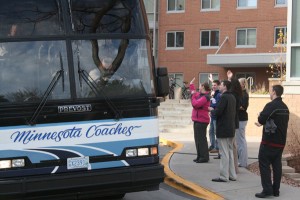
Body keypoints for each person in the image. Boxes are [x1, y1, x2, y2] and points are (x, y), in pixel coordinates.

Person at [254, 85, 289, 198]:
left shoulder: (271, 105)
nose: (269, 93)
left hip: (269, 141)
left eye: (270, 91)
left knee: (264, 164)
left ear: (274, 92)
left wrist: (260, 116)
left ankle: (267, 189)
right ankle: (276, 190)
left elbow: (261, 119)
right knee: (277, 165)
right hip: (281, 141)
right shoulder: (285, 107)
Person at [209, 80, 237, 182]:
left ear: (224, 87)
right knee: (229, 152)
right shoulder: (232, 97)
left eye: (221, 85)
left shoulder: (224, 97)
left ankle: (224, 176)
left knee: (224, 153)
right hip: (231, 128)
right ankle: (232, 175)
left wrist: (212, 111)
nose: (219, 86)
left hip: (224, 128)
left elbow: (219, 111)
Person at [190, 78, 211, 163]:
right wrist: (191, 85)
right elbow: (194, 94)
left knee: (201, 139)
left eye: (200, 86)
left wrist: (193, 97)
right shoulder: (200, 95)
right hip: (197, 120)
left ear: (203, 87)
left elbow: (196, 104)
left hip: (202, 120)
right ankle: (199, 155)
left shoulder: (206, 97)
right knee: (197, 139)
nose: (199, 87)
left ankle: (204, 157)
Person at [227, 70, 242, 173]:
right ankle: (235, 168)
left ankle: (232, 169)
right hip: (235, 121)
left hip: (231, 122)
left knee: (231, 147)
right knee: (233, 146)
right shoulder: (238, 94)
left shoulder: (232, 95)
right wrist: (230, 78)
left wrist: (230, 79)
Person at [236, 78, 249, 167]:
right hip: (239, 118)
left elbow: (243, 107)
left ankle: (243, 162)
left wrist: (234, 106)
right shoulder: (240, 94)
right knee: (239, 141)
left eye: (239, 83)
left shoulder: (244, 94)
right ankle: (241, 161)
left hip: (241, 119)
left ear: (243, 85)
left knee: (241, 141)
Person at [208, 79, 221, 154]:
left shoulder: (219, 94)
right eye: (212, 85)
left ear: (218, 86)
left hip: (216, 116)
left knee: (216, 132)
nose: (213, 86)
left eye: (215, 85)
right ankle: (212, 145)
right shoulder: (214, 94)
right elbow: (211, 102)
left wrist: (213, 109)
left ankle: (217, 147)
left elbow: (219, 105)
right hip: (212, 116)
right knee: (211, 131)